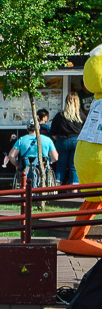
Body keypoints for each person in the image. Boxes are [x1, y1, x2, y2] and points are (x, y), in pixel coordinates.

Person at [60, 44, 102, 256]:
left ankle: (76, 238)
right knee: (95, 200)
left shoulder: (96, 101)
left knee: (93, 201)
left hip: (86, 154)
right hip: (96, 159)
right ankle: (76, 238)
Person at [6, 118, 58, 187]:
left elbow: (11, 156)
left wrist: (17, 165)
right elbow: (55, 157)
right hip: (43, 169)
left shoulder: (21, 140)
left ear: (27, 129)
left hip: (26, 170)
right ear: (39, 127)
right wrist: (50, 161)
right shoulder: (47, 140)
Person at [47, 95, 83, 185]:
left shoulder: (59, 116)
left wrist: (60, 140)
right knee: (74, 167)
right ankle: (74, 192)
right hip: (76, 142)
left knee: (60, 167)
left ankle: (56, 190)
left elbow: (53, 134)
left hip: (62, 142)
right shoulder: (81, 115)